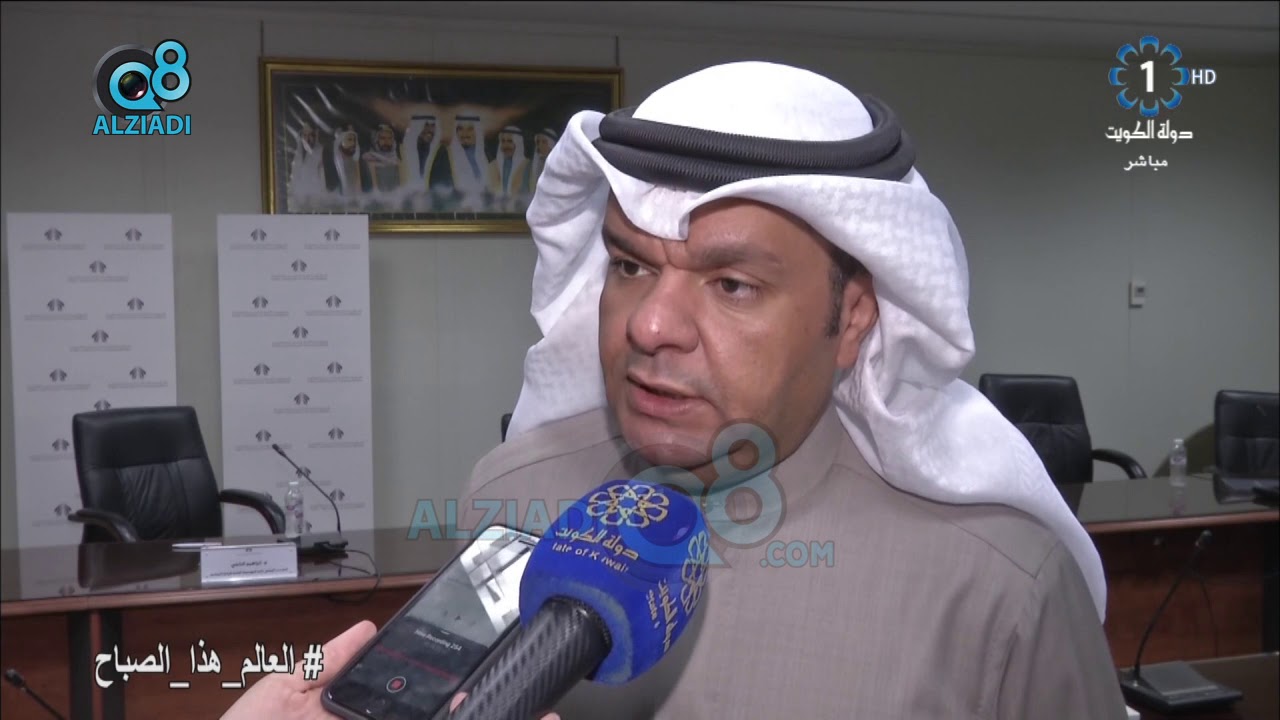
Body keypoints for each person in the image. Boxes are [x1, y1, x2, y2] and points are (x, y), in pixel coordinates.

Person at [228, 61, 1128, 719]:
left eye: (731, 284)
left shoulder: (999, 586)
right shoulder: (513, 495)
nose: (650, 326)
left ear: (853, 317)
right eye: (629, 265)